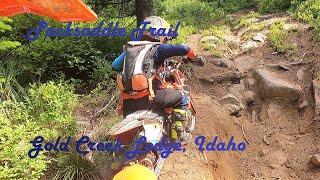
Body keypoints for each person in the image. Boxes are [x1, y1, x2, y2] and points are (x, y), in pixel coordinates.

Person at [112, 16, 203, 141]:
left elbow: (115, 65)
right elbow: (184, 49)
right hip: (149, 98)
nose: (165, 39)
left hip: (128, 103)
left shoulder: (130, 48)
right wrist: (194, 57)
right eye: (165, 36)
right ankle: (178, 135)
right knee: (181, 97)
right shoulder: (157, 48)